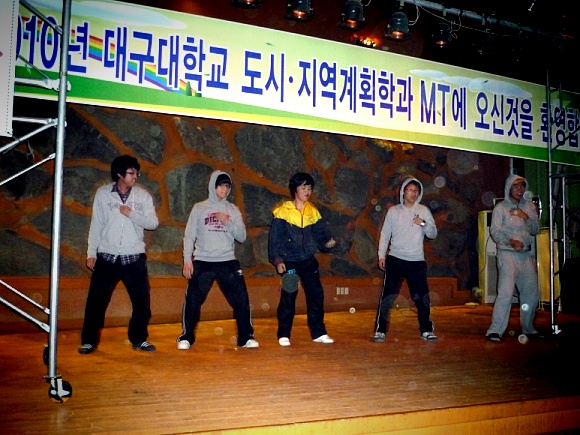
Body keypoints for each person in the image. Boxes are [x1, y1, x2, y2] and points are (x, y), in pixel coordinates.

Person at [78, 155, 159, 354]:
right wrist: (91, 252)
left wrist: (131, 213)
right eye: (131, 173)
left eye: (137, 173)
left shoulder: (143, 196)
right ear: (120, 174)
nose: (135, 176)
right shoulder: (103, 194)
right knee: (96, 303)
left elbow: (153, 223)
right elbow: (96, 225)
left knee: (142, 303)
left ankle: (139, 339)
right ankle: (89, 341)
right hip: (107, 257)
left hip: (134, 258)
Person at [177, 170, 258, 350]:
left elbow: (242, 236)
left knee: (241, 299)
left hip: (227, 260)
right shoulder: (199, 208)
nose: (224, 190)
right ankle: (186, 337)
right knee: (193, 300)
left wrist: (228, 222)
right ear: (213, 186)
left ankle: (245, 337)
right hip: (203, 260)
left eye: (227, 186)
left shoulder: (232, 209)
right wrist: (187, 260)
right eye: (221, 186)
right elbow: (189, 235)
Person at [268, 172, 336, 347]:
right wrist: (278, 260)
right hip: (289, 261)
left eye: (310, 188)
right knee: (289, 296)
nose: (307, 191)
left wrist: (327, 243)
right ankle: (284, 333)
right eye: (303, 187)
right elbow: (274, 240)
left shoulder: (313, 212)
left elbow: (321, 237)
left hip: (308, 261)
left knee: (316, 295)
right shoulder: (283, 212)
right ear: (295, 189)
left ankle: (318, 332)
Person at [373, 177, 438, 343]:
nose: (413, 193)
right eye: (410, 190)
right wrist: (381, 255)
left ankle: (426, 330)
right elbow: (385, 234)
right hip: (395, 259)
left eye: (416, 190)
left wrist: (423, 223)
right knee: (388, 296)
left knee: (422, 297)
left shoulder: (423, 210)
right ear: (403, 192)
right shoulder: (393, 211)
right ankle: (380, 330)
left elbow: (433, 234)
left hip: (416, 260)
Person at [486, 174, 541, 343]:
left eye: (522, 186)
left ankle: (528, 328)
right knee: (505, 293)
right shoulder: (501, 208)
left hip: (526, 255)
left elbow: (536, 229)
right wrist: (510, 241)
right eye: (516, 186)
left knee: (531, 293)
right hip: (507, 254)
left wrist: (526, 217)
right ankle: (495, 330)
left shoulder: (529, 206)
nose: (519, 189)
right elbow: (495, 231)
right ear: (509, 188)